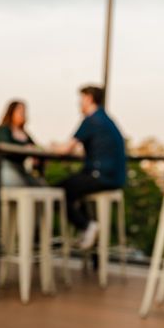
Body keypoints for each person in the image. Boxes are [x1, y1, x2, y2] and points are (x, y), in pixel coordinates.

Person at [54, 85, 126, 249]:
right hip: (114, 177)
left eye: (81, 99)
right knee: (76, 189)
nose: (79, 103)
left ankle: (86, 225)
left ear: (88, 98)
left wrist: (49, 148)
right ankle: (89, 229)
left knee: (58, 192)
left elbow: (66, 149)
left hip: (101, 175)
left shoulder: (91, 120)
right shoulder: (106, 120)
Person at [0, 100, 43, 187]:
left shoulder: (25, 133)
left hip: (21, 169)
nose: (23, 114)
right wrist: (25, 148)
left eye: (24, 111)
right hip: (5, 167)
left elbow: (34, 147)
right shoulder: (4, 129)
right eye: (20, 111)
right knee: (17, 186)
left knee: (40, 186)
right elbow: (3, 146)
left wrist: (36, 155)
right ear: (11, 112)